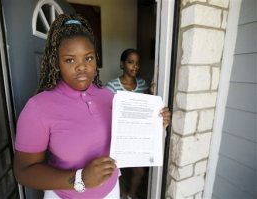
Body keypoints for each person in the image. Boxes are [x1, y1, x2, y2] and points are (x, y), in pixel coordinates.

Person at [13, 14, 170, 199]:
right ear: (56, 62)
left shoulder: (109, 97)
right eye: (70, 60)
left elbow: (125, 141)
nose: (82, 67)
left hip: (111, 190)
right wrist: (80, 179)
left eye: (88, 58)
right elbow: (23, 172)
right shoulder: (38, 107)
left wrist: (153, 123)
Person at [106, 48, 164, 199]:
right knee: (113, 170)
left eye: (137, 63)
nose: (135, 67)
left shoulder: (143, 84)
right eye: (130, 62)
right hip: (119, 137)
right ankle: (115, 194)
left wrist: (151, 94)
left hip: (139, 137)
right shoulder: (111, 87)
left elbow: (148, 108)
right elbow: (105, 112)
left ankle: (130, 194)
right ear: (122, 64)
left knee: (140, 171)